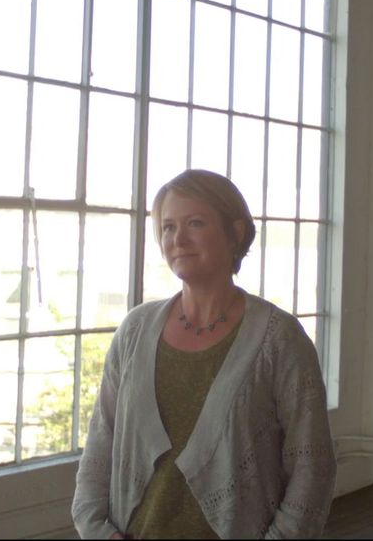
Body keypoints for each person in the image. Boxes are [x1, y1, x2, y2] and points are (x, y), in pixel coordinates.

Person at [72, 169, 335, 539]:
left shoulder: (280, 340)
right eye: (167, 227)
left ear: (235, 232)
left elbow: (312, 468)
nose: (177, 239)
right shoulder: (134, 331)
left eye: (194, 223)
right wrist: (98, 531)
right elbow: (100, 447)